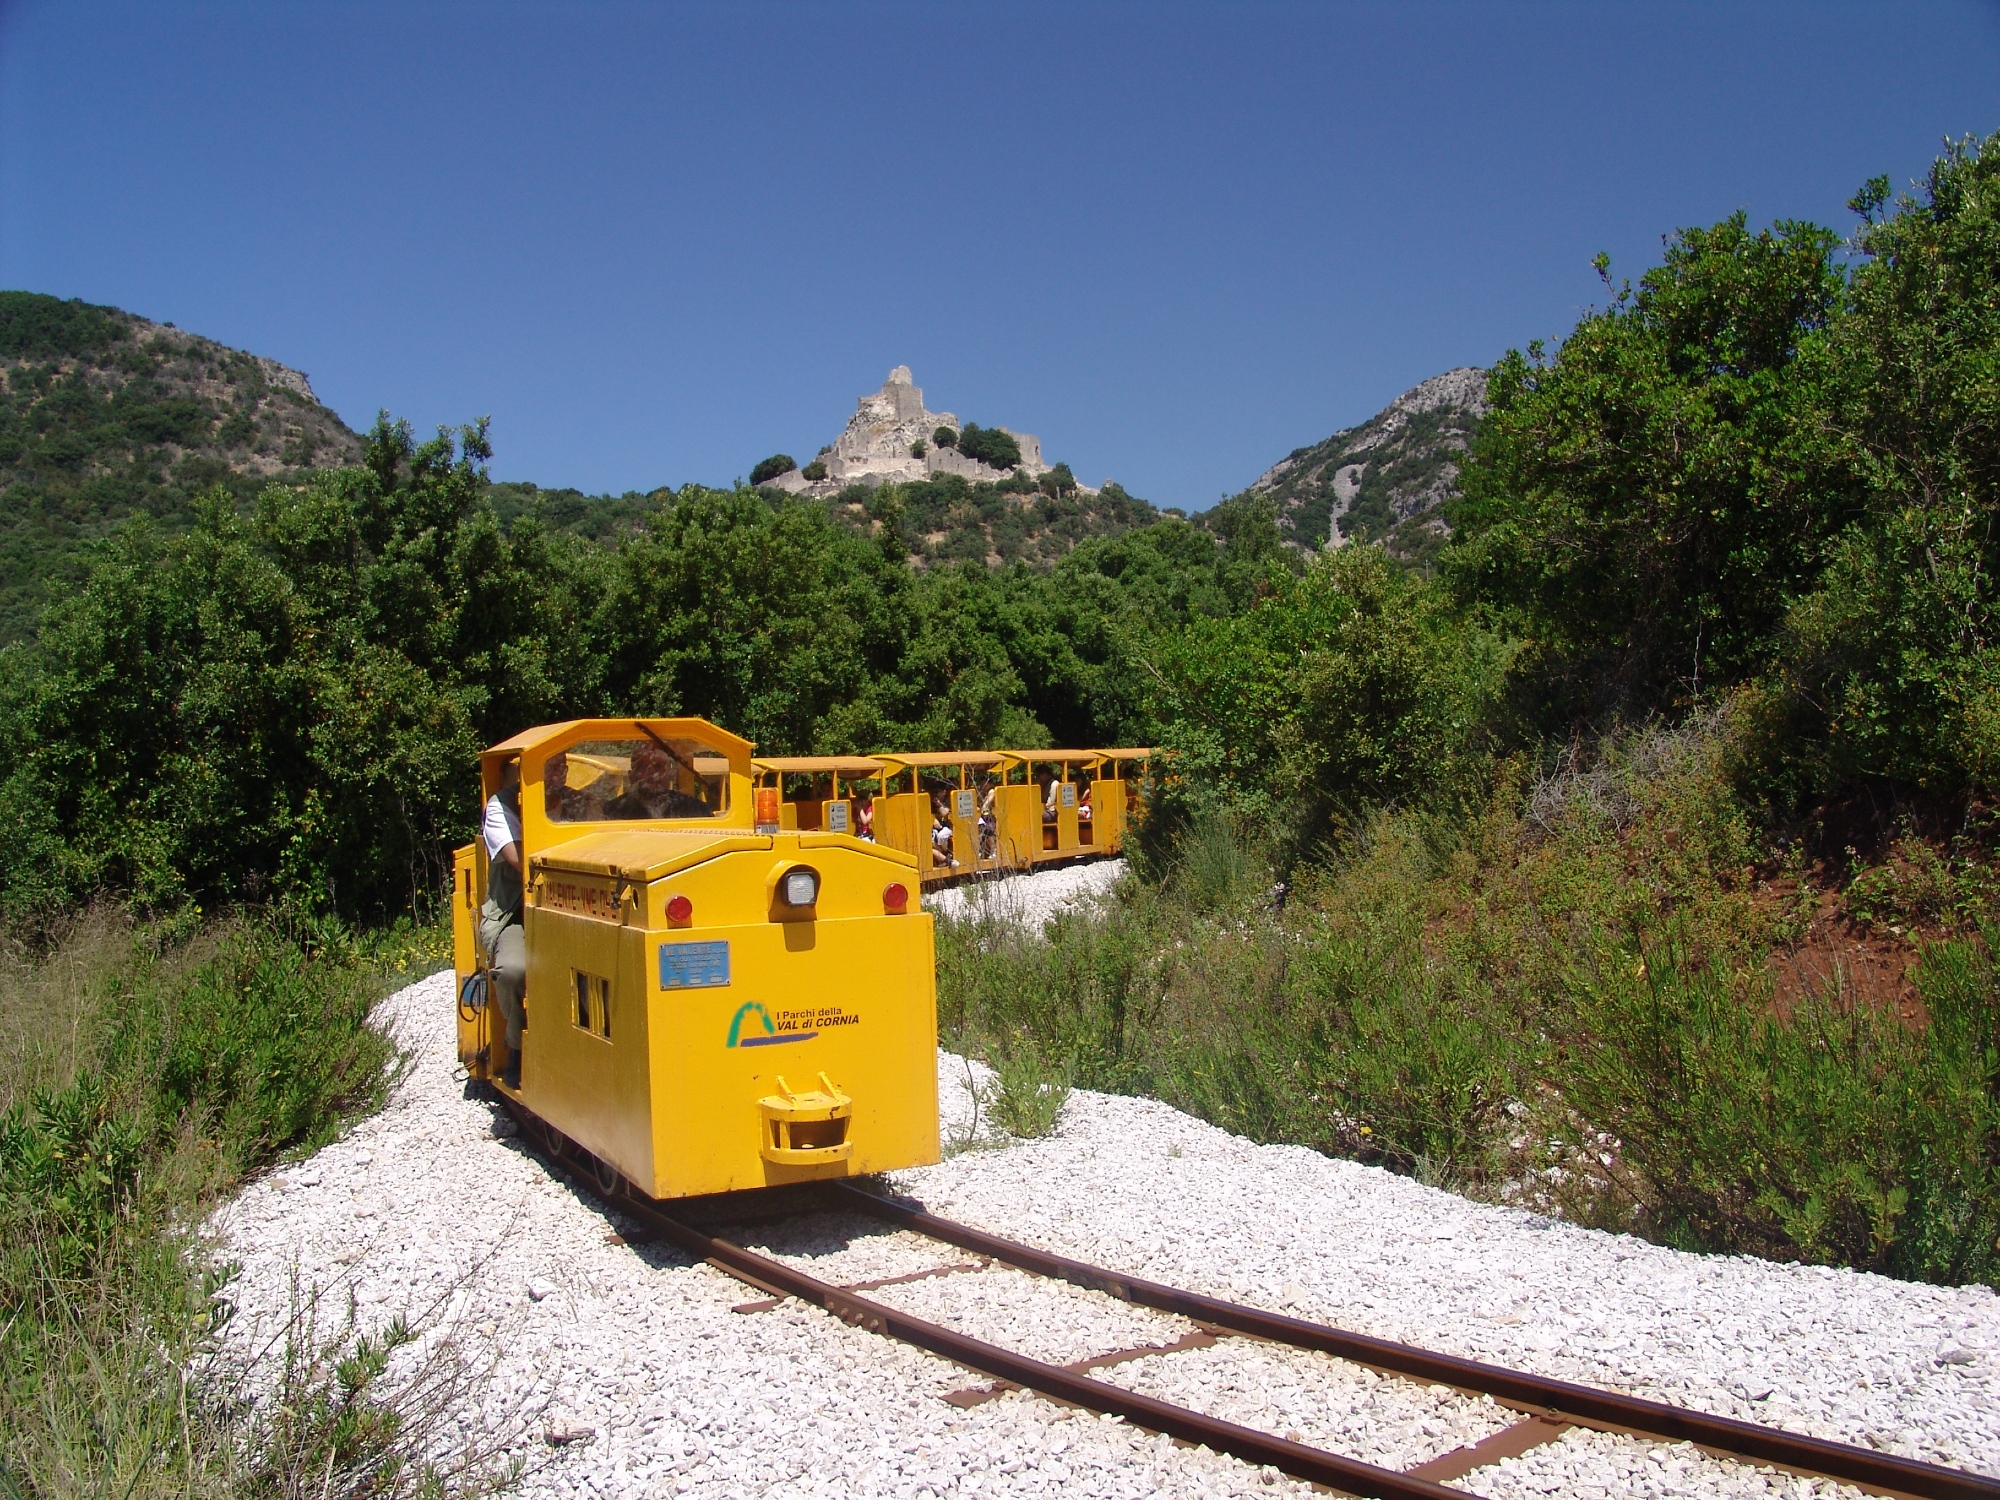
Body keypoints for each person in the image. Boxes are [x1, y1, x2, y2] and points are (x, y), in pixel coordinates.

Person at [479, 759, 529, 1089]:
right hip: (515, 914)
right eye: (550, 767)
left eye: (562, 766)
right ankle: (517, 1046)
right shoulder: (500, 806)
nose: (559, 774)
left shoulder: (576, 800)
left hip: (571, 907)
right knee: (512, 969)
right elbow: (518, 859)